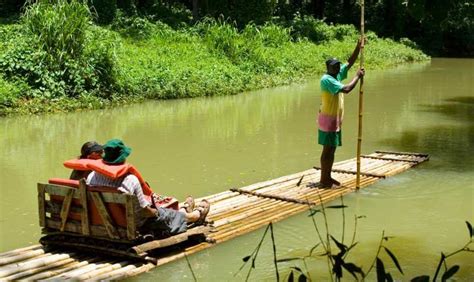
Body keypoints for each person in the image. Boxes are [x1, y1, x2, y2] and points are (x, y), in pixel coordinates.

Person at [86, 139, 210, 236]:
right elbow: (145, 212)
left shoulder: (91, 176)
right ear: (123, 157)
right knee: (163, 214)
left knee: (165, 212)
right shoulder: (130, 180)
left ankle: (183, 211)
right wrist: (157, 212)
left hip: (102, 223)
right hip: (131, 226)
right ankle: (195, 216)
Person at [317, 38, 365, 188]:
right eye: (334, 66)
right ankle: (324, 179)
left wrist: (358, 47)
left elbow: (349, 62)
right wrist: (357, 76)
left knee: (331, 149)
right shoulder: (327, 79)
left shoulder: (336, 75)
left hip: (334, 120)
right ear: (328, 68)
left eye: (338, 66)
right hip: (328, 120)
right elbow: (346, 89)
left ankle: (327, 177)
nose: (337, 68)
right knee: (328, 150)